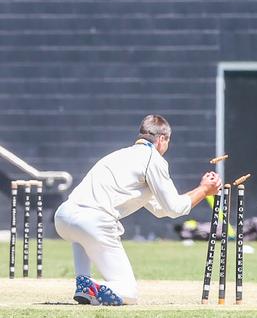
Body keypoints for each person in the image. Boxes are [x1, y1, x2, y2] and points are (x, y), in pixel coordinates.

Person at [54, 114, 222, 305]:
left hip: (64, 216)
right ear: (162, 139)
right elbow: (174, 208)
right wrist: (204, 190)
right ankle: (93, 287)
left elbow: (159, 209)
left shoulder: (120, 155)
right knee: (129, 292)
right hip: (93, 221)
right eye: (167, 142)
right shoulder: (153, 158)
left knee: (80, 235)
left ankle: (84, 284)